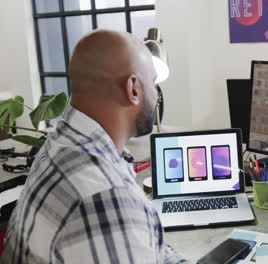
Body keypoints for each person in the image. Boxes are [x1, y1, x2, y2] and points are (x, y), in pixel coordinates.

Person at [1, 30, 189, 263]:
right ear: (133, 89)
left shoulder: (58, 146)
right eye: (152, 83)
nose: (157, 96)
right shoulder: (106, 198)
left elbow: (144, 247)